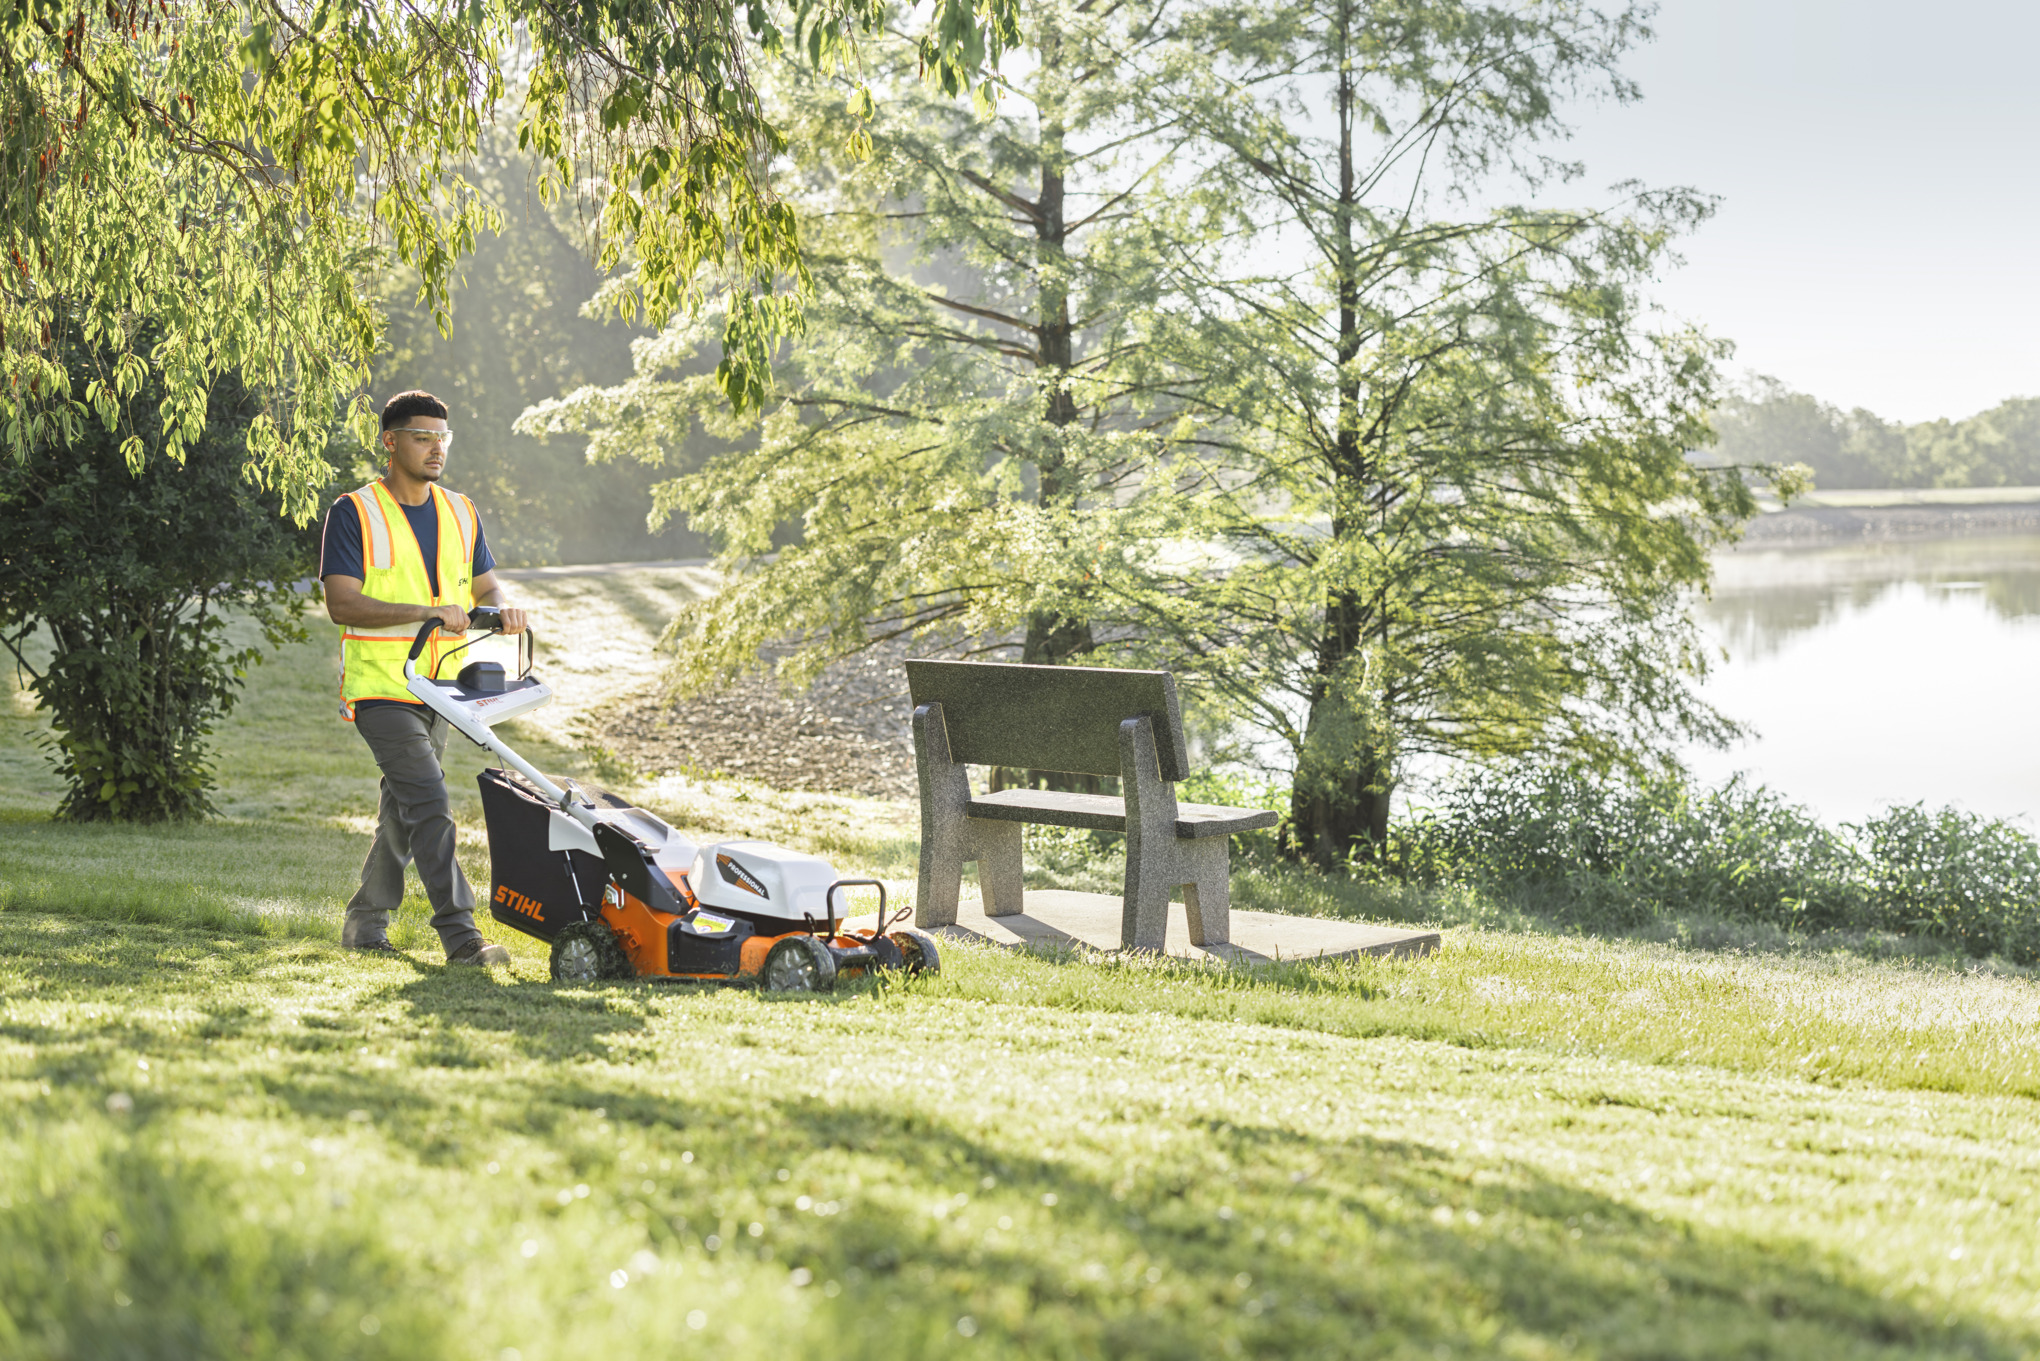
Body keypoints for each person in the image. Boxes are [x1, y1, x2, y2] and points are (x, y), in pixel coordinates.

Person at [320, 391, 527, 965]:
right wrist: (424, 612)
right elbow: (342, 603)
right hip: (382, 689)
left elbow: (486, 585)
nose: (436, 448)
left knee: (405, 808)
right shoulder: (353, 512)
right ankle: (461, 940)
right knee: (431, 803)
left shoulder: (461, 510)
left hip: (443, 690)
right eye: (422, 437)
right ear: (390, 441)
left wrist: (504, 607)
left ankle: (365, 924)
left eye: (443, 438)